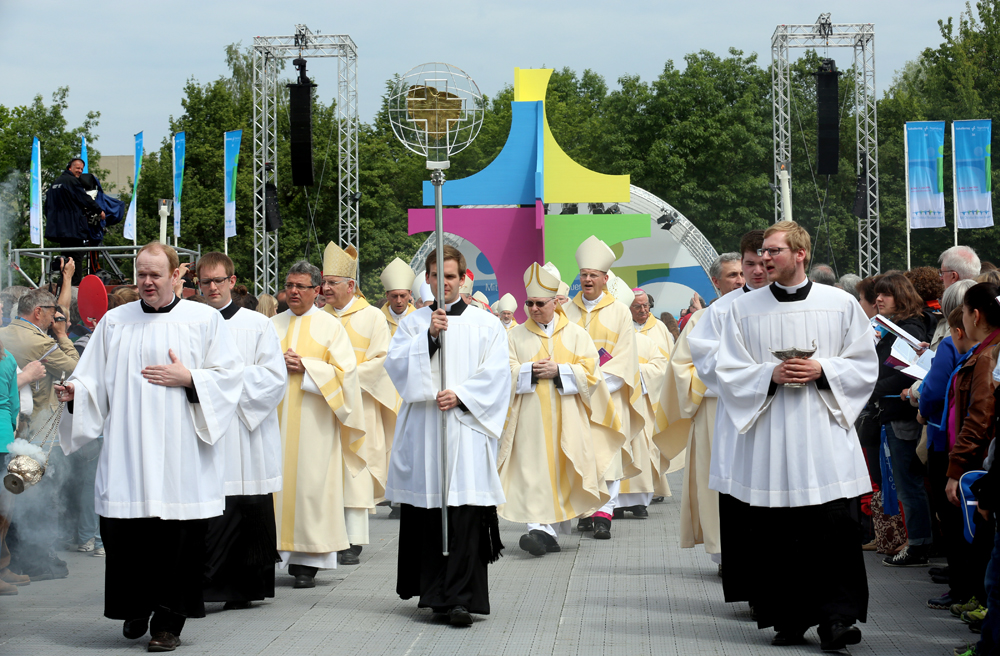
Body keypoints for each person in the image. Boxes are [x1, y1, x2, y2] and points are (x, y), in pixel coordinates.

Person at [56, 241, 244, 652]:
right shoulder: (115, 321)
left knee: (178, 540)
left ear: (177, 275)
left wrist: (191, 378)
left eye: (155, 274)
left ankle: (168, 623)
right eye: (141, 273)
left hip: (182, 453)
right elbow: (95, 379)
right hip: (128, 448)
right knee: (127, 535)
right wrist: (77, 392)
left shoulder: (204, 321)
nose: (146, 282)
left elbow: (230, 378)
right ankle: (135, 608)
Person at [713, 221, 878, 650]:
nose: (764, 259)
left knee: (834, 529)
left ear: (800, 254)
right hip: (771, 436)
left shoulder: (839, 304)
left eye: (774, 251)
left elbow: (864, 364)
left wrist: (824, 370)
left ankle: (837, 619)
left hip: (822, 434)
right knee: (775, 532)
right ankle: (787, 618)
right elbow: (726, 372)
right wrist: (769, 373)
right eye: (762, 252)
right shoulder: (740, 309)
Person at [385, 245, 510, 627]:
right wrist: (429, 338)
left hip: (466, 429)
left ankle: (462, 598)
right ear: (428, 279)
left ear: (464, 278)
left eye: (451, 276)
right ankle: (436, 595)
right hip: (425, 432)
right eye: (437, 276)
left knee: (464, 515)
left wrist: (463, 395)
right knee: (429, 515)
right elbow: (397, 368)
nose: (444, 282)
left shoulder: (485, 323)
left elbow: (498, 374)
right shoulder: (413, 323)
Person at [498, 263, 616, 556]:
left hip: (568, 418)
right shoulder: (514, 336)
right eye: (530, 303)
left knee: (564, 468)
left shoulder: (576, 335)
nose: (534, 309)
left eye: (540, 303)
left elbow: (592, 373)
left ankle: (551, 530)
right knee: (532, 471)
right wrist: (530, 371)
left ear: (555, 303)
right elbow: (502, 372)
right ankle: (538, 530)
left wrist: (561, 370)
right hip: (529, 421)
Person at [195, 252, 285, 610]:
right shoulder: (191, 322)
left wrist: (220, 384)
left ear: (232, 281)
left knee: (246, 501)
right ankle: (204, 585)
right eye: (206, 282)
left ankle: (245, 587)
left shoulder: (257, 325)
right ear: (198, 284)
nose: (212, 287)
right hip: (205, 429)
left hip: (245, 430)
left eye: (219, 280)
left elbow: (273, 379)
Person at [270, 260, 365, 589]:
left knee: (311, 486)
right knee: (275, 487)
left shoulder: (330, 327)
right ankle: (273, 552)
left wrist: (308, 367)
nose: (293, 292)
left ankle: (307, 561)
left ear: (316, 291)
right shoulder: (271, 325)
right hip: (275, 421)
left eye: (301, 286)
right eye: (289, 285)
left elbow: (346, 375)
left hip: (316, 422)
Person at [683, 230, 770, 573]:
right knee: (742, 495)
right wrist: (764, 379)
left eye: (764, 263)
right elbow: (703, 363)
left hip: (790, 415)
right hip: (734, 413)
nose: (756, 272)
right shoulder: (719, 312)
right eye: (747, 266)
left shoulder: (814, 303)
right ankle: (745, 573)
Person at [321, 242, 397, 565]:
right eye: (323, 282)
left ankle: (352, 539)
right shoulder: (316, 317)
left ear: (350, 286)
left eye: (331, 283)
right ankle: (324, 534)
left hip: (359, 407)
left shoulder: (372, 319)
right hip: (322, 408)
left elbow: (381, 362)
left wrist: (340, 379)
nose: (324, 288)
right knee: (324, 471)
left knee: (354, 469)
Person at [562, 236, 642, 539]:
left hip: (608, 395)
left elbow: (624, 359)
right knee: (582, 452)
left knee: (606, 450)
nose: (587, 279)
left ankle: (605, 512)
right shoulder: (567, 311)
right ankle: (585, 509)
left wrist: (593, 381)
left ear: (605, 279)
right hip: (576, 396)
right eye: (583, 275)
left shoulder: (620, 312)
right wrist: (576, 381)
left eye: (593, 275)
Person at [870, 273, 933, 568]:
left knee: (908, 483)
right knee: (904, 482)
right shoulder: (894, 327)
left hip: (904, 414)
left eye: (886, 294)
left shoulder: (908, 328)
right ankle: (917, 541)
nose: (878, 299)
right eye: (877, 294)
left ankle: (919, 544)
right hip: (894, 411)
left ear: (902, 296)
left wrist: (871, 387)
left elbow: (905, 372)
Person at [610, 280, 667, 519]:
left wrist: (635, 371)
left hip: (640, 403)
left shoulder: (647, 340)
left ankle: (639, 500)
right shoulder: (609, 341)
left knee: (640, 446)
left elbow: (662, 366)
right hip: (612, 403)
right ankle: (612, 501)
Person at [380, 257, 416, 336]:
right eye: (394, 296)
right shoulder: (378, 318)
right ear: (387, 295)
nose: (399, 301)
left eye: (403, 296)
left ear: (410, 294)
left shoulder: (418, 318)